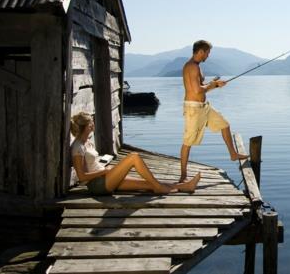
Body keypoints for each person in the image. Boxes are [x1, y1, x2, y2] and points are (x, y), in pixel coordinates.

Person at [70, 111, 200, 194]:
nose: (93, 124)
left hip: (106, 178)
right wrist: (105, 171)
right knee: (133, 156)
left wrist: (105, 170)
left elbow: (92, 166)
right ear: (85, 127)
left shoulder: (88, 142)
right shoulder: (78, 147)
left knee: (149, 183)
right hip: (98, 185)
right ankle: (160, 188)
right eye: (90, 123)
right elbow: (82, 177)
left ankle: (186, 186)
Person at [180, 40, 248, 182]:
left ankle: (233, 154)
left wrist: (215, 85)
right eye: (207, 53)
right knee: (188, 142)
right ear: (200, 52)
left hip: (204, 106)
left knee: (224, 125)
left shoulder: (196, 66)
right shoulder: (192, 67)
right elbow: (197, 90)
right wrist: (214, 84)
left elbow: (200, 87)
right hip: (194, 108)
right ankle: (183, 176)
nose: (208, 56)